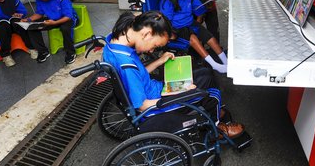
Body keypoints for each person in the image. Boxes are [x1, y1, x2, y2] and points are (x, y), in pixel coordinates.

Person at [103, 10, 245, 138]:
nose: (152, 50)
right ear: (146, 34)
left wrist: (160, 61)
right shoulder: (126, 64)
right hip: (155, 107)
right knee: (209, 93)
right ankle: (216, 127)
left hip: (157, 91)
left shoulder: (114, 43)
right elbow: (142, 106)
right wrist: (181, 93)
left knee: (204, 73)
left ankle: (213, 111)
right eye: (155, 46)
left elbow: (137, 76)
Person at [160, 0, 228, 73]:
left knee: (210, 38)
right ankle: (215, 65)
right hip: (176, 29)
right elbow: (165, 21)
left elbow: (199, 10)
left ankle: (226, 62)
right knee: (193, 38)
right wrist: (170, 35)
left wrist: (204, 11)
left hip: (190, 24)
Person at [24, 0, 78, 64]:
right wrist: (28, 19)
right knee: (31, 27)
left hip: (67, 19)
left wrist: (55, 22)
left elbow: (68, 16)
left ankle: (70, 52)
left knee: (65, 28)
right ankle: (43, 51)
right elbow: (39, 13)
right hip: (53, 20)